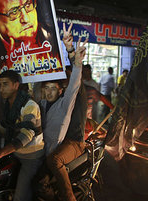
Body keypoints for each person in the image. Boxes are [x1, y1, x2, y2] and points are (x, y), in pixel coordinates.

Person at [37, 22, 88, 201]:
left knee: (54, 160)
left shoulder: (74, 92)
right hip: (57, 142)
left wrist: (71, 50)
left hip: (73, 141)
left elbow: (75, 78)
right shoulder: (44, 103)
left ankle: (68, 196)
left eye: (65, 77)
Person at [0, 70, 44, 201]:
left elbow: (26, 135)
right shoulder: (9, 105)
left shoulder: (29, 106)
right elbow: (2, 127)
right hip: (15, 154)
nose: (1, 89)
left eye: (5, 84)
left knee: (20, 197)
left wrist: (0, 153)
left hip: (30, 157)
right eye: (0, 85)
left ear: (16, 85)